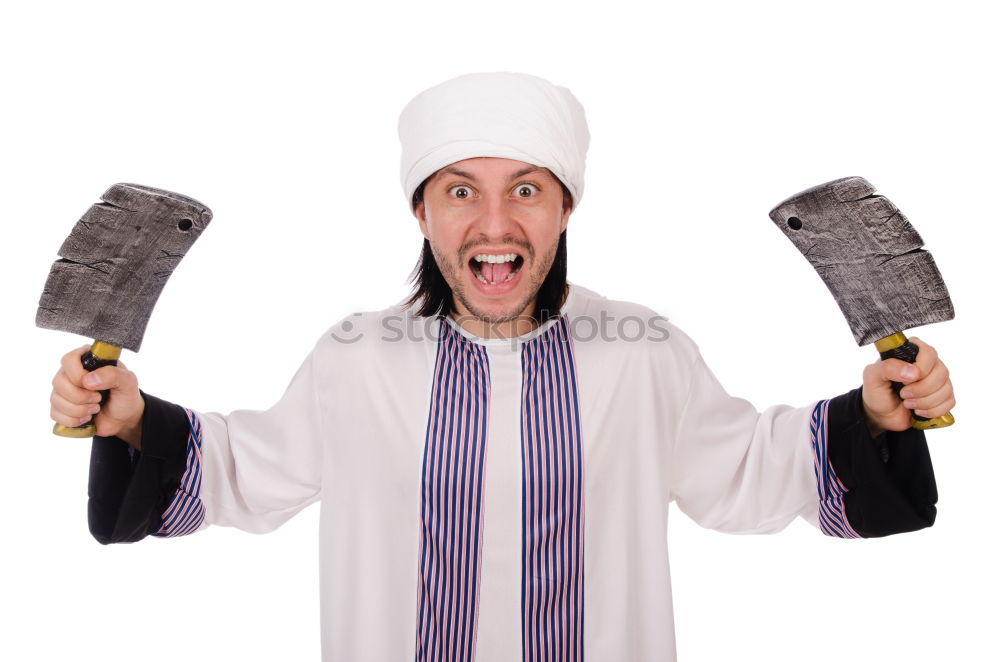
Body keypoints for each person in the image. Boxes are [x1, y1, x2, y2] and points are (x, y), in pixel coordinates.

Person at [49, 73, 953, 661]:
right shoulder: (354, 359)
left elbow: (751, 470)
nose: (494, 223)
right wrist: (128, 418)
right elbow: (244, 468)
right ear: (422, 214)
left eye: (526, 189)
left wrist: (876, 412)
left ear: (564, 209)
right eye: (459, 191)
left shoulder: (646, 354)